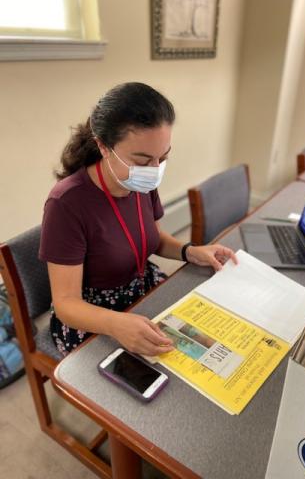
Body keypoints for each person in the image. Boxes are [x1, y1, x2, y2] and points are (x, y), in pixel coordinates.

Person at [39, 82, 237, 357]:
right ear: (103, 147)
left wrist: (190, 251)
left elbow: (151, 239)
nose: (154, 170)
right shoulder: (67, 204)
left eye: (163, 157)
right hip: (93, 316)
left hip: (142, 289)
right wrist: (116, 324)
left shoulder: (141, 181)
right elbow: (66, 304)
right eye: (143, 160)